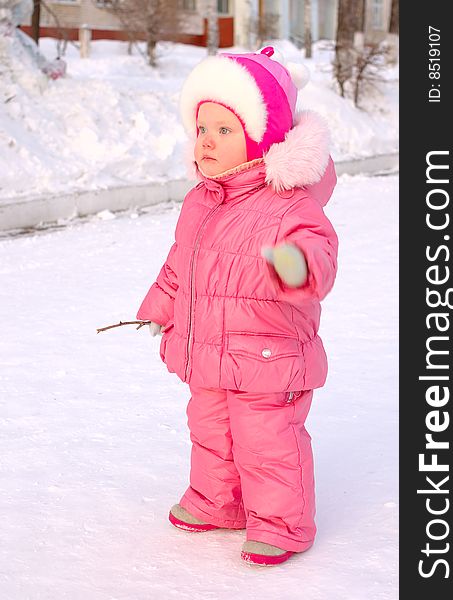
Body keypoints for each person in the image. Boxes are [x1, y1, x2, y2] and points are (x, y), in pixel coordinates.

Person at [137, 46, 338, 566]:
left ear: (261, 136)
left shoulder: (289, 202)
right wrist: (160, 306)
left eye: (224, 130)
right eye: (202, 128)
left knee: (266, 442)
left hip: (267, 356)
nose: (206, 140)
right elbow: (181, 262)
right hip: (206, 350)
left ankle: (281, 524)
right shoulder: (200, 200)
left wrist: (291, 264)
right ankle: (217, 502)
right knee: (210, 432)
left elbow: (317, 264)